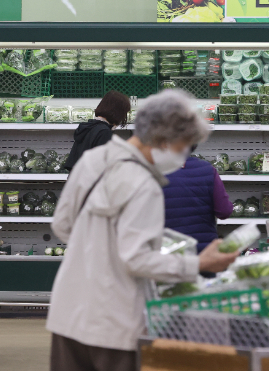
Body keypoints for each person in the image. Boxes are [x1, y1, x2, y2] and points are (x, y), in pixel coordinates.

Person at [47, 90, 239, 371]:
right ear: (165, 140)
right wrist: (200, 262)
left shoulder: (92, 160)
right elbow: (136, 259)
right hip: (115, 323)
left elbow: (62, 225)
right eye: (183, 147)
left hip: (67, 315)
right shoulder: (145, 184)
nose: (183, 156)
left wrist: (100, 251)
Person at [163, 152, 233, 252]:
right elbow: (224, 211)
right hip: (204, 251)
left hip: (170, 249)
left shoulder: (156, 171)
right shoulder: (207, 169)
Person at [63, 90, 131, 171]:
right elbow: (102, 167)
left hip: (77, 180)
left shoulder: (87, 127)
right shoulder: (104, 133)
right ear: (118, 113)